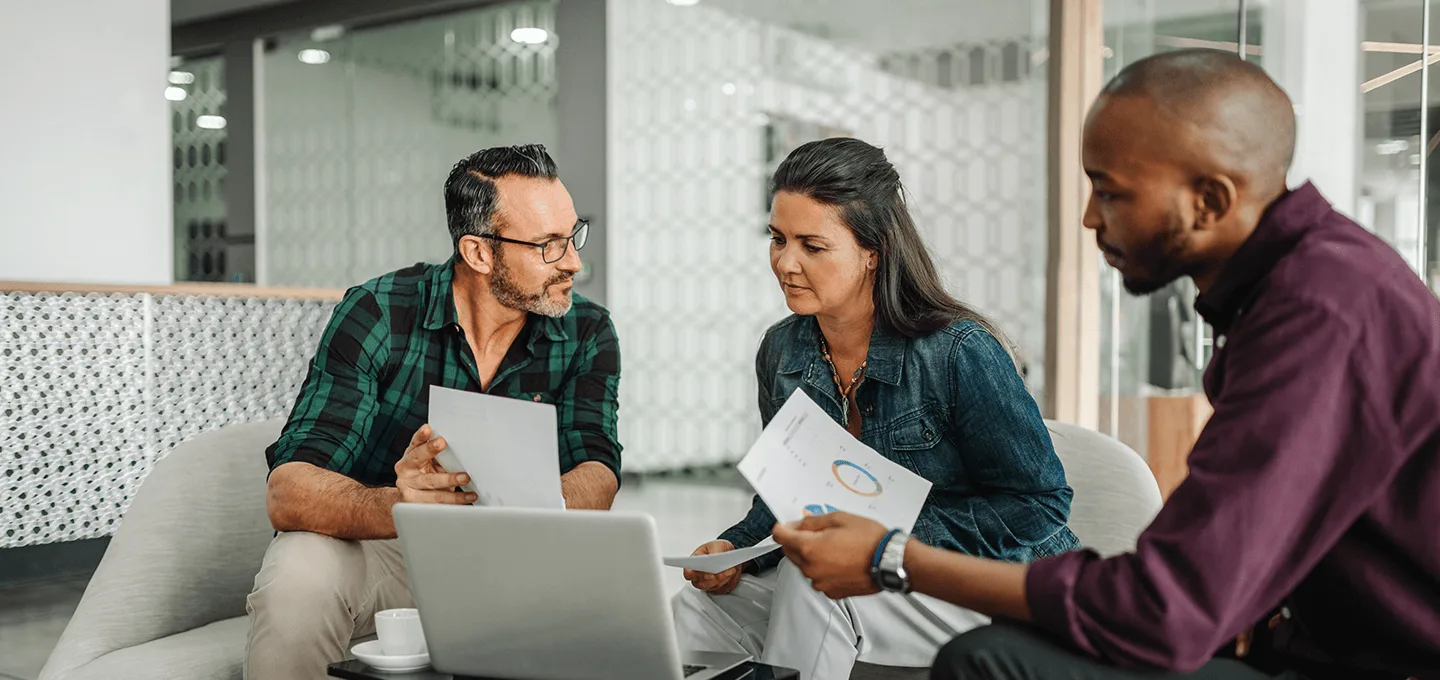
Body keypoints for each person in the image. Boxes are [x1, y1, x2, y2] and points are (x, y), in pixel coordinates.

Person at [770, 50, 1440, 680]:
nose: (1090, 217)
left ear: (1210, 201)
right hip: (1302, 641)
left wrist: (894, 559)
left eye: (1111, 192)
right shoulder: (1300, 289)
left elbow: (1163, 607)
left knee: (990, 662)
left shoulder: (1324, 311)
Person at [672, 137, 1080, 680]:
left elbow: (1040, 505)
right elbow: (785, 499)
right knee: (691, 612)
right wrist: (737, 548)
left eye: (812, 246)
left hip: (983, 586)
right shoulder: (782, 351)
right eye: (777, 238)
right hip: (874, 580)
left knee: (809, 582)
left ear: (873, 252)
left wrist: (889, 544)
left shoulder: (957, 352)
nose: (785, 263)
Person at [245, 144, 622, 680]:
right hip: (392, 548)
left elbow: (599, 472)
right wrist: (401, 503)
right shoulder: (378, 312)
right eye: (549, 246)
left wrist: (528, 504)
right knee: (299, 570)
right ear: (479, 252)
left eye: (573, 235)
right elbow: (288, 492)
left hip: (520, 556)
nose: (574, 263)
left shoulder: (587, 330)